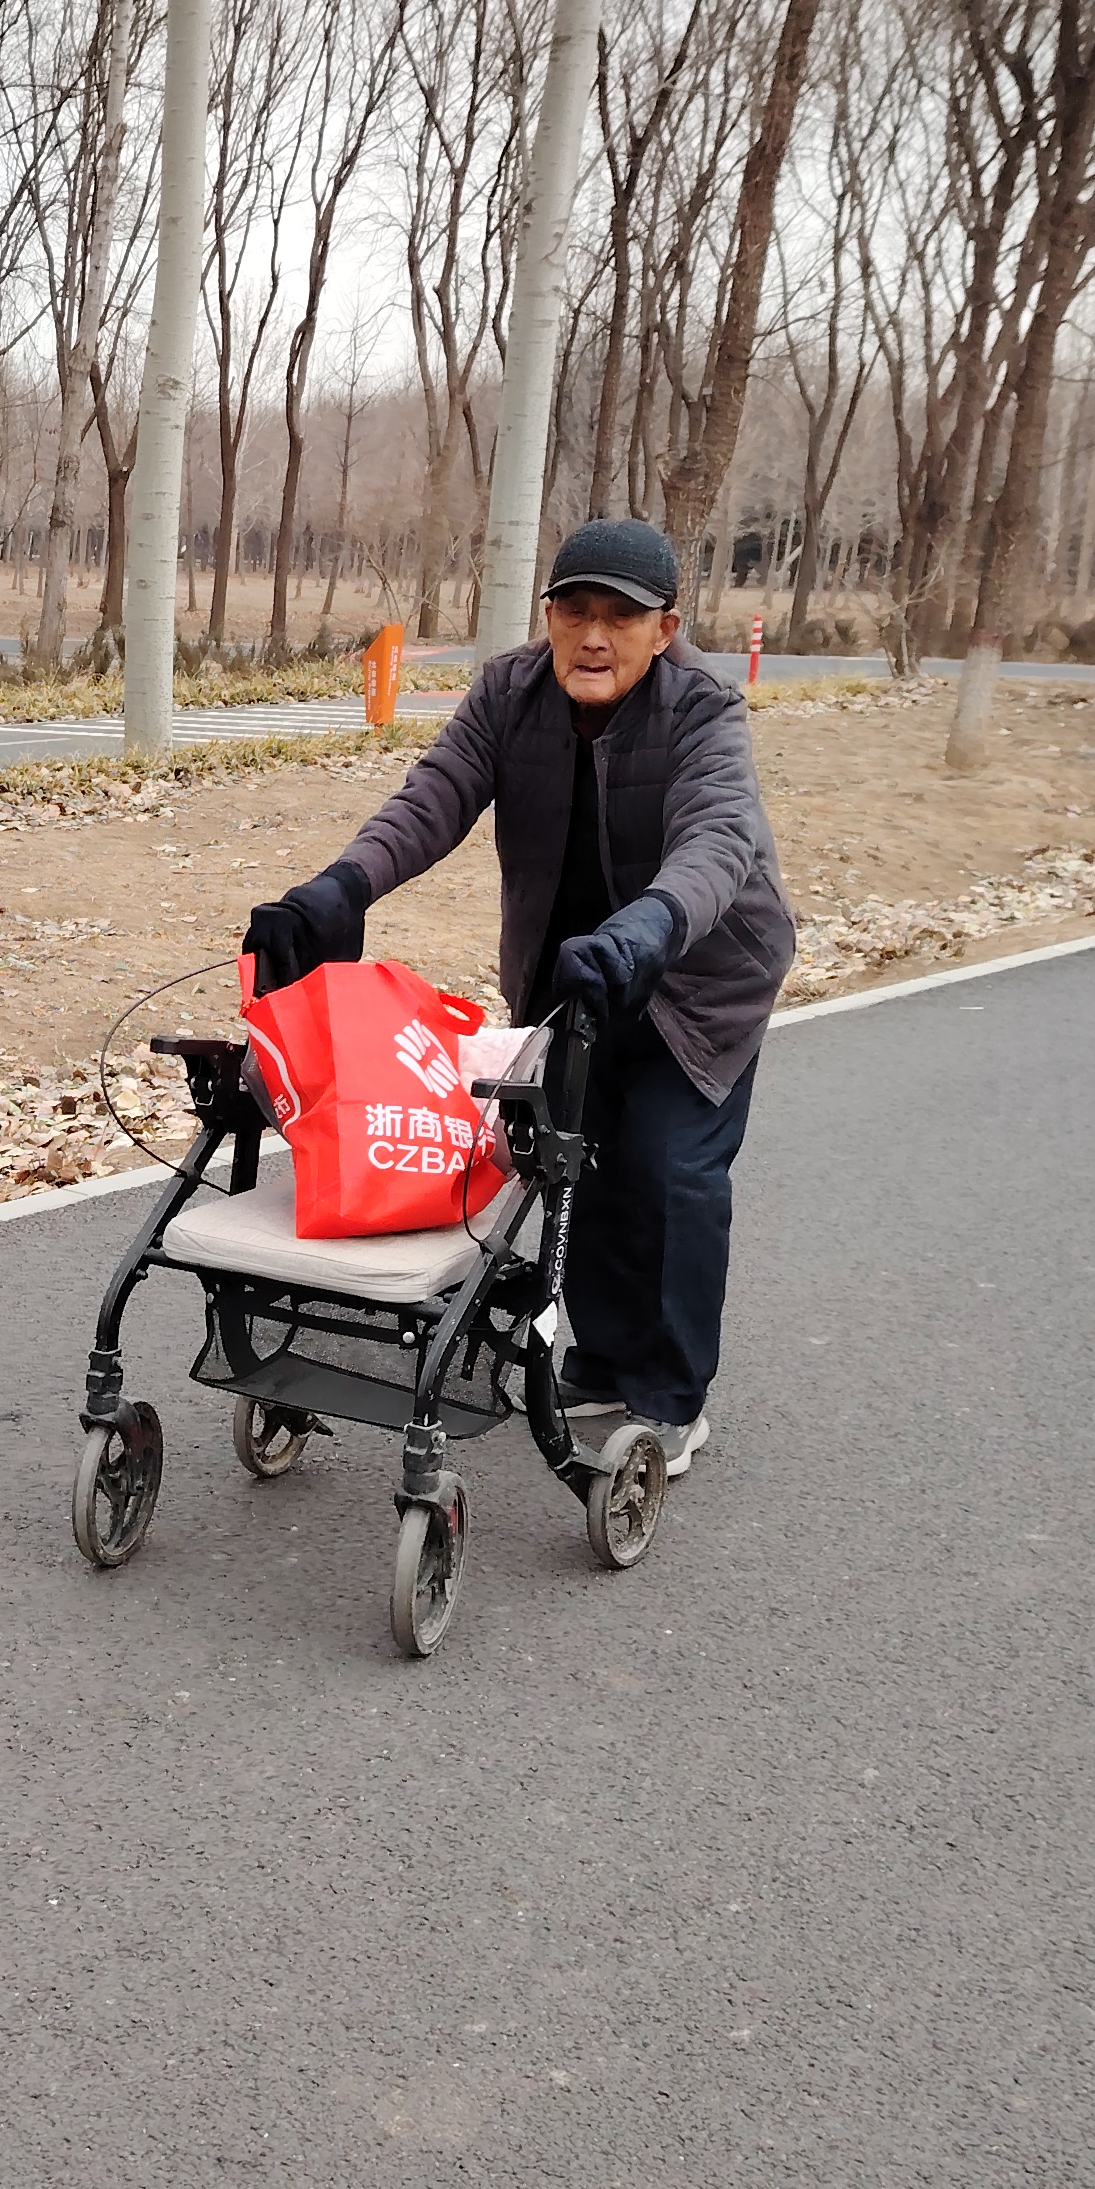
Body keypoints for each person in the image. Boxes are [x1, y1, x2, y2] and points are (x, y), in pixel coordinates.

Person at [242, 517, 793, 1474]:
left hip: (697, 971)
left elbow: (718, 840)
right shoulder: (510, 690)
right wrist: (340, 887)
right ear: (548, 617)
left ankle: (667, 1397)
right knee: (573, 1165)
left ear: (664, 630)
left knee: (666, 1173)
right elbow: (434, 799)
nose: (593, 636)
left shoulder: (702, 706)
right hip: (572, 970)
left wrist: (654, 923)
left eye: (620, 617)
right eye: (574, 611)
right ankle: (606, 1360)